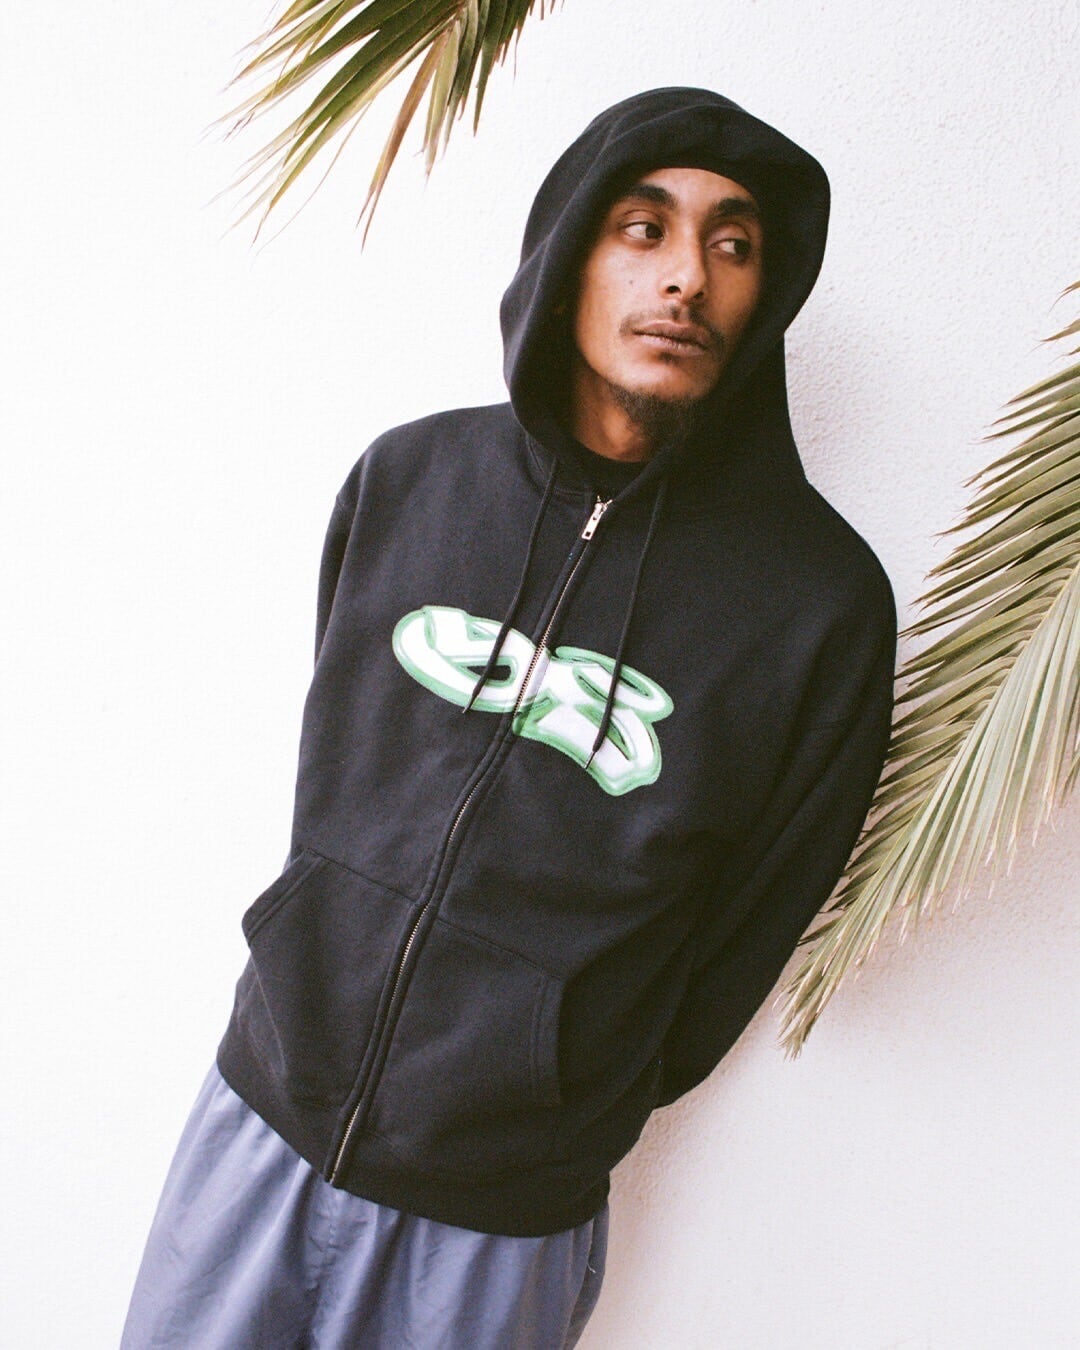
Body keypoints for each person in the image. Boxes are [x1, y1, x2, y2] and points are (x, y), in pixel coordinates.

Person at [122, 87, 896, 1348]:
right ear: (569, 246)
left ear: (769, 294)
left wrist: (558, 1089)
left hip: (495, 1223)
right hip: (260, 1124)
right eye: (643, 229)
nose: (686, 277)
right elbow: (339, 774)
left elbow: (752, 926)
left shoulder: (816, 607)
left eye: (734, 244)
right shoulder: (409, 477)